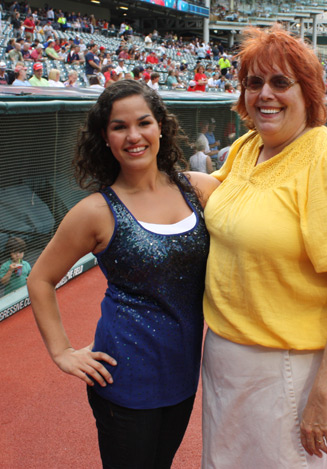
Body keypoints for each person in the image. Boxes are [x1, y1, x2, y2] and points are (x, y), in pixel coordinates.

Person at [201, 25, 327, 469]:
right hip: (239, 359)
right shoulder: (248, 148)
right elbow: (222, 195)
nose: (265, 94)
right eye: (253, 82)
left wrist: (324, 393)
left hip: (301, 363)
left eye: (280, 82)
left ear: (309, 92)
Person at [28, 80, 219, 469]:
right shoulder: (96, 211)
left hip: (183, 374)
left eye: (143, 122)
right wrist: (62, 351)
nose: (134, 136)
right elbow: (40, 279)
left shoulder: (197, 189)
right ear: (106, 136)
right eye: (119, 127)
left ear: (161, 126)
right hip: (124, 379)